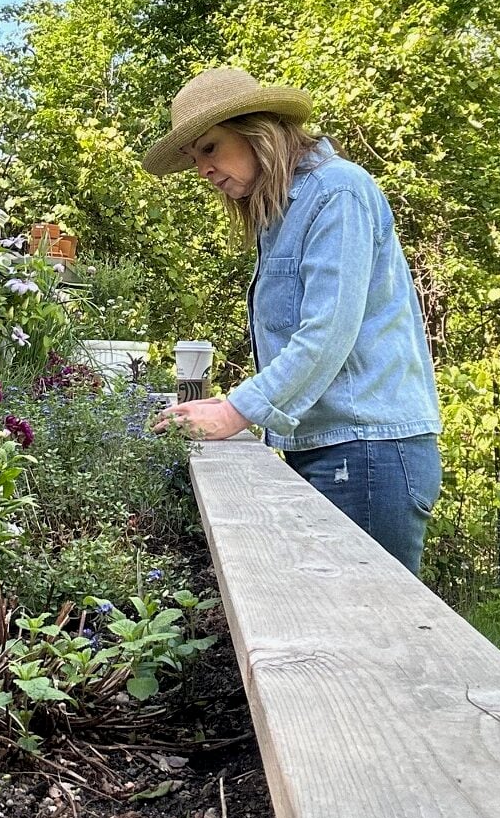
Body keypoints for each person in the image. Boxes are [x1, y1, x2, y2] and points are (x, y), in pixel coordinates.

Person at [144, 66, 441, 575]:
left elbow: (328, 334)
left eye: (210, 148)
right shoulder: (283, 210)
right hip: (336, 447)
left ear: (256, 128)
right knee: (342, 628)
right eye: (194, 159)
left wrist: (238, 411)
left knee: (369, 630)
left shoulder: (336, 193)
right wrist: (236, 401)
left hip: (369, 450)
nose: (203, 171)